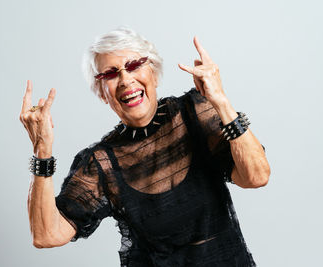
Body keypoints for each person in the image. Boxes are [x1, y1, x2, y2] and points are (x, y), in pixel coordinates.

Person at [19, 27, 270, 267]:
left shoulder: (195, 113)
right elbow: (46, 235)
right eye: (111, 73)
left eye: (134, 65)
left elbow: (257, 176)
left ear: (154, 73)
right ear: (101, 92)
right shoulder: (102, 162)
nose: (126, 79)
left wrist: (221, 101)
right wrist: (42, 151)